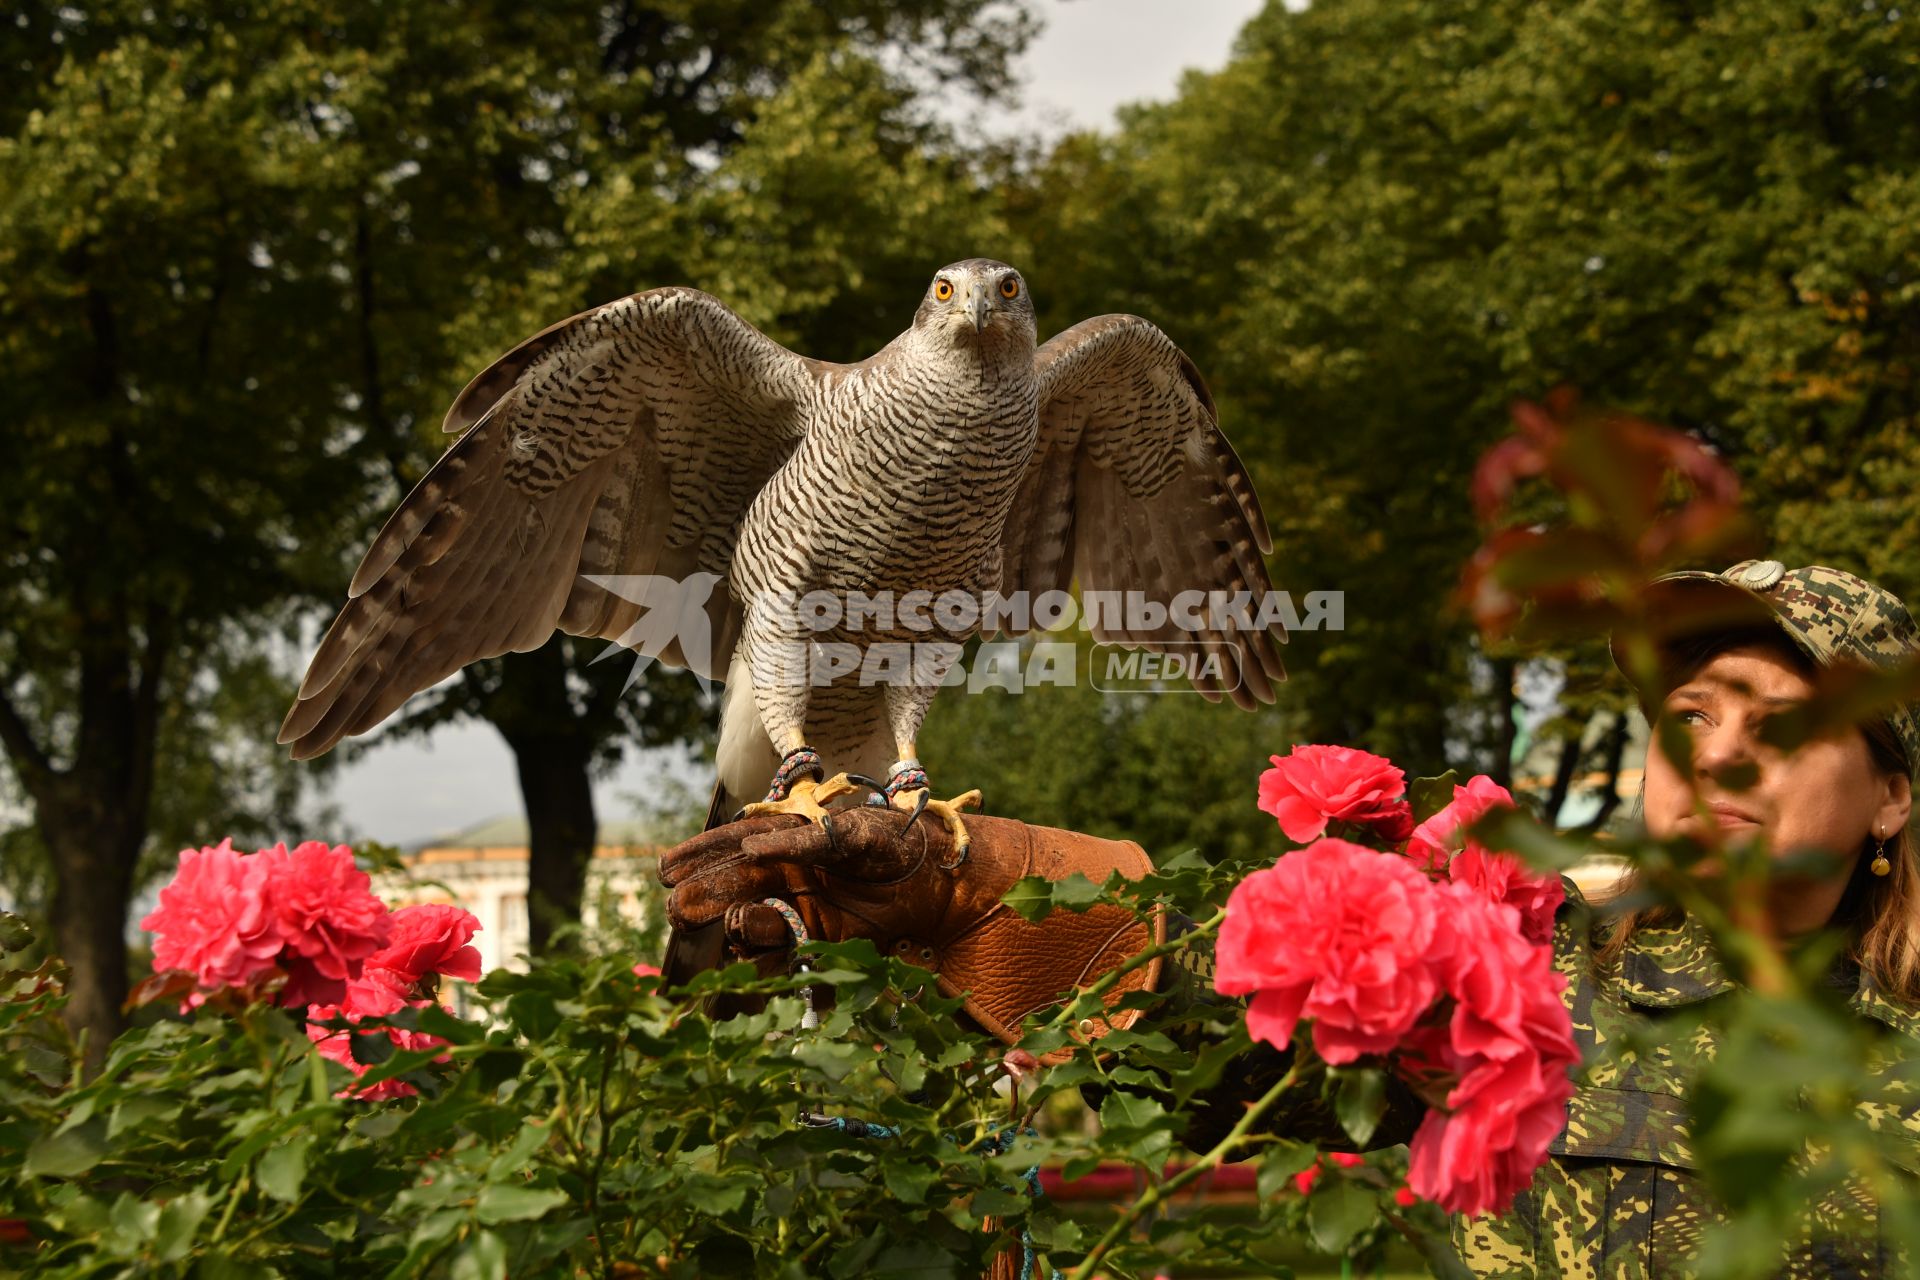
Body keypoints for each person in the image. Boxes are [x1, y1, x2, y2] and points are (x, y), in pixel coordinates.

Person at [660, 558, 1920, 1277]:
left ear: (1892, 794)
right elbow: (1205, 1007)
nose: (1723, 756)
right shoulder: (1512, 971)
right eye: (1689, 715)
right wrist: (963, 873)